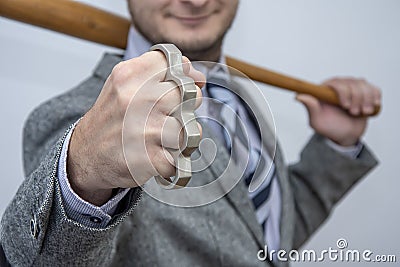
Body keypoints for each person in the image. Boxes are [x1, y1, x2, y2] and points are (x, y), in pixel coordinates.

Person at [0, 0, 380, 266]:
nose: (196, 0)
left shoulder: (242, 100)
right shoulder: (71, 118)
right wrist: (82, 172)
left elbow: (260, 240)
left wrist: (336, 146)